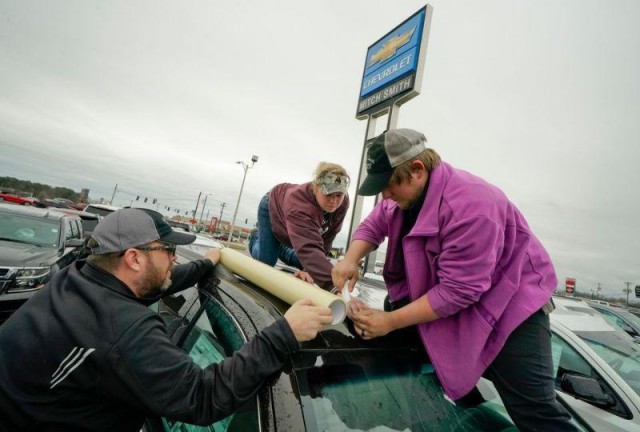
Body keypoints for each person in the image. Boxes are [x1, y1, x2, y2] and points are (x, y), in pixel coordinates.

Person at [0, 208, 332, 431]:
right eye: (168, 250)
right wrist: (283, 333)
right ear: (133, 258)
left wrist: (205, 264)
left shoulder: (75, 279)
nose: (174, 257)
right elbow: (202, 396)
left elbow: (152, 286)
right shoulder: (124, 329)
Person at [332, 129, 577, 431]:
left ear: (417, 170)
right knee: (419, 373)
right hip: (454, 300)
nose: (385, 195)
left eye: (389, 185)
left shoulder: (473, 206)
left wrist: (391, 320)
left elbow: (458, 291)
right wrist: (350, 259)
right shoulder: (400, 197)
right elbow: (375, 223)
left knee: (535, 410)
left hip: (512, 312)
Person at [249, 162, 350, 291]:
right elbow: (308, 247)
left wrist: (308, 269)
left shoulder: (343, 202)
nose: (334, 201)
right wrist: (334, 288)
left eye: (338, 195)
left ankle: (277, 247)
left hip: (293, 220)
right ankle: (256, 236)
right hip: (272, 206)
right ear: (315, 188)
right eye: (328, 194)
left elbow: (329, 235)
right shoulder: (299, 205)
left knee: (314, 263)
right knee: (267, 261)